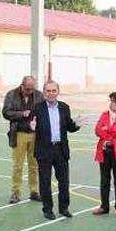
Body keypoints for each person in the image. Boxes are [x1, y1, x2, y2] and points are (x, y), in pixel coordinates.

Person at [32, 80, 82, 220]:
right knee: (45, 182)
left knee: (64, 181)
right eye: (48, 91)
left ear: (58, 92)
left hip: (60, 149)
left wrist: (76, 125)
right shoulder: (38, 108)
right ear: (44, 92)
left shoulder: (64, 107)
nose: (51, 93)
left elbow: (69, 127)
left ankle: (64, 207)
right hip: (44, 150)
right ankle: (48, 209)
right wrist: (31, 127)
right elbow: (31, 125)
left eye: (54, 90)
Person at [2, 75, 44, 204]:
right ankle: (16, 192)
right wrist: (21, 114)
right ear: (22, 86)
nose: (30, 92)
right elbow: (6, 112)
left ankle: (34, 191)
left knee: (34, 165)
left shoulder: (39, 95)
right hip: (19, 133)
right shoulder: (11, 94)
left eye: (32, 89)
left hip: (35, 134)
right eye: (27, 89)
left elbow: (43, 111)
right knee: (17, 165)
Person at [92, 91, 116, 217]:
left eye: (114, 101)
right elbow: (97, 130)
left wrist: (106, 129)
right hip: (104, 151)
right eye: (111, 101)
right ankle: (104, 206)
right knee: (104, 180)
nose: (112, 103)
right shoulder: (104, 114)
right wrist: (109, 132)